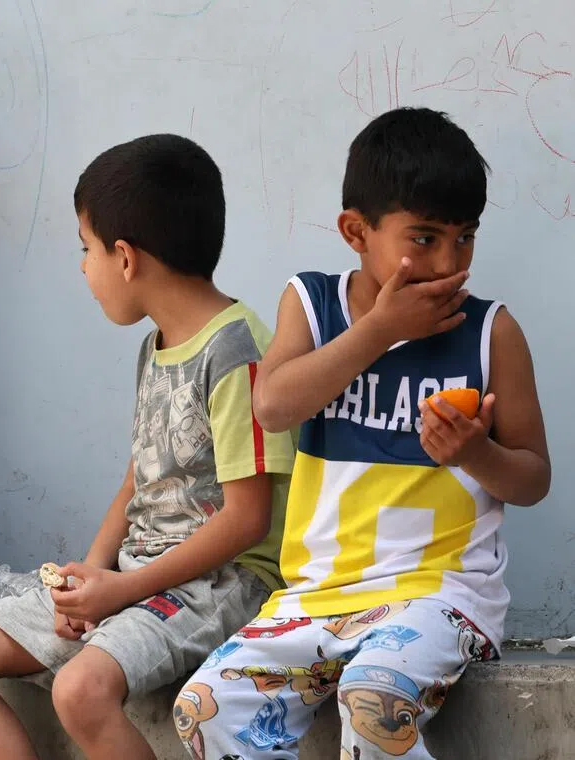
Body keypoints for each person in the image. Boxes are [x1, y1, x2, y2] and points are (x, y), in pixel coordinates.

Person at [175, 107, 551, 760]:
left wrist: (476, 453)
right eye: (426, 238)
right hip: (316, 600)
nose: (448, 261)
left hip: (439, 598)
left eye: (464, 239)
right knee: (204, 711)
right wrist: (379, 330)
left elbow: (533, 478)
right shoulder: (313, 305)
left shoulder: (492, 333)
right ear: (356, 230)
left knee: (372, 704)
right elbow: (272, 406)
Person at [0, 134, 297, 760]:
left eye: (85, 248)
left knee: (80, 691)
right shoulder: (157, 345)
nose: (83, 268)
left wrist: (119, 591)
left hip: (219, 584)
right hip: (134, 578)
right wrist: (89, 579)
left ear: (124, 257)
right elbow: (137, 479)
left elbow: (247, 519)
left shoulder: (237, 354)